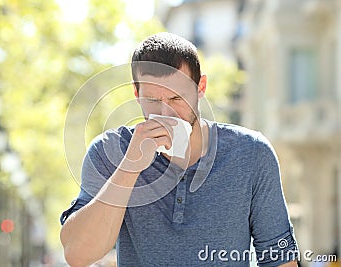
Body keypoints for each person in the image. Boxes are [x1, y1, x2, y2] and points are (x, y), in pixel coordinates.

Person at [60, 32, 299, 266]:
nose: (166, 114)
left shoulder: (251, 153)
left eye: (177, 99)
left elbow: (279, 259)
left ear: (200, 87)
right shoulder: (109, 152)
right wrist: (129, 168)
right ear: (136, 93)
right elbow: (78, 255)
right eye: (153, 100)